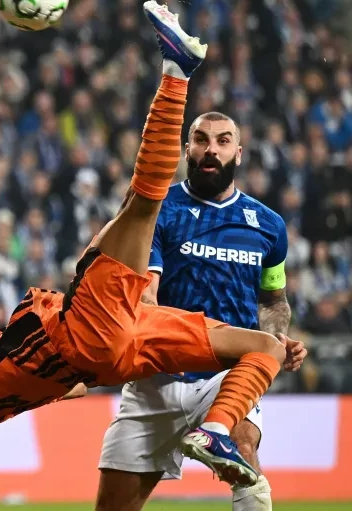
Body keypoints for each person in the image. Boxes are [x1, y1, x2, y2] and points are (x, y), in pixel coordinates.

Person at [0, 2, 305, 489]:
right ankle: (176, 71)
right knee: (142, 203)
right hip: (88, 332)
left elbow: (64, 385)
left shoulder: (0, 376)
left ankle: (217, 431)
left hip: (118, 351)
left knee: (264, 345)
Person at [94, 110, 300, 511]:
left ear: (238, 153)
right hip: (156, 376)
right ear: (187, 148)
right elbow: (145, 292)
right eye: (201, 140)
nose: (211, 150)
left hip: (227, 373)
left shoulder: (269, 227)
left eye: (223, 141)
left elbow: (273, 299)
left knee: (242, 448)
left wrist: (276, 338)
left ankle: (223, 436)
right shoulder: (158, 208)